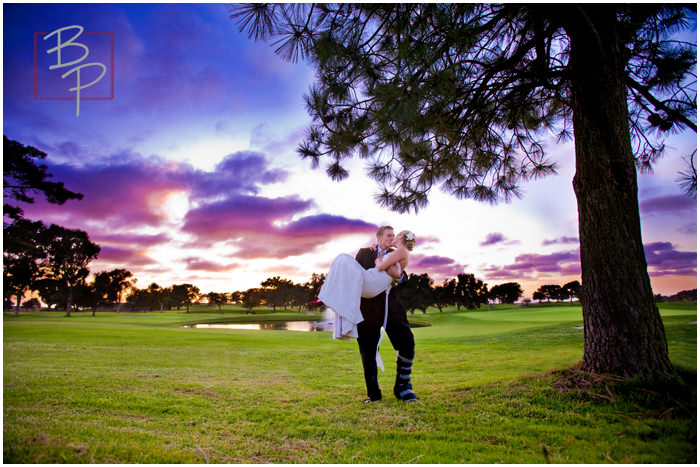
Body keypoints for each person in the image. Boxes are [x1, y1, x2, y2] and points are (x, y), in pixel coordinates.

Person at [318, 226, 418, 403]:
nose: (391, 238)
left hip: (390, 304)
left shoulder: (396, 253)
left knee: (407, 341)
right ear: (378, 238)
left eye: (393, 236)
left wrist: (399, 276)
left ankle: (403, 387)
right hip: (367, 308)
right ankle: (374, 394)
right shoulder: (364, 253)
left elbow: (403, 277)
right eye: (388, 236)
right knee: (368, 350)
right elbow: (352, 277)